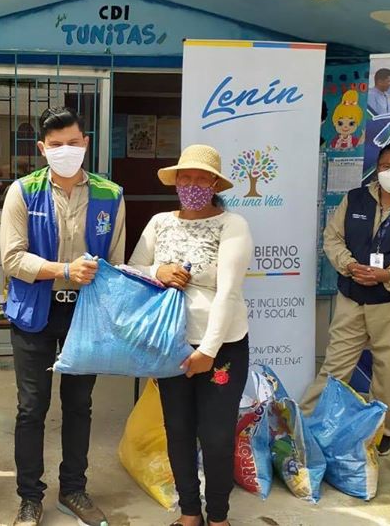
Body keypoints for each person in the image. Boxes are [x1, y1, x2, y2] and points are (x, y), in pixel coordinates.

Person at [0, 106, 126, 526]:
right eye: (56, 145)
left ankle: (73, 489)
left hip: (84, 315)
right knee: (31, 407)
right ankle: (29, 497)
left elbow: (115, 263)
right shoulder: (23, 192)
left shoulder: (110, 195)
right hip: (34, 311)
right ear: (42, 148)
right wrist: (64, 270)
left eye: (73, 143)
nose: (66, 150)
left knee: (79, 405)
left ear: (86, 143)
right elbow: (12, 259)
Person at [128, 144, 253, 526]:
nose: (193, 185)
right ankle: (189, 513)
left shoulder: (232, 224)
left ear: (215, 184)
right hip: (170, 344)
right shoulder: (159, 222)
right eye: (186, 177)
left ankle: (218, 516)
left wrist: (208, 351)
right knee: (178, 431)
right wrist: (158, 272)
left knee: (216, 435)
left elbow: (228, 292)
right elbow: (132, 268)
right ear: (176, 181)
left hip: (222, 347)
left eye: (202, 179)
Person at [300, 135, 390, 456]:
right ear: (377, 168)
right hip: (352, 297)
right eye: (387, 166)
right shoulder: (355, 199)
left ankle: (382, 431)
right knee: (335, 366)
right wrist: (349, 265)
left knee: (389, 373)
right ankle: (306, 424)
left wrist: (389, 275)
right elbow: (332, 238)